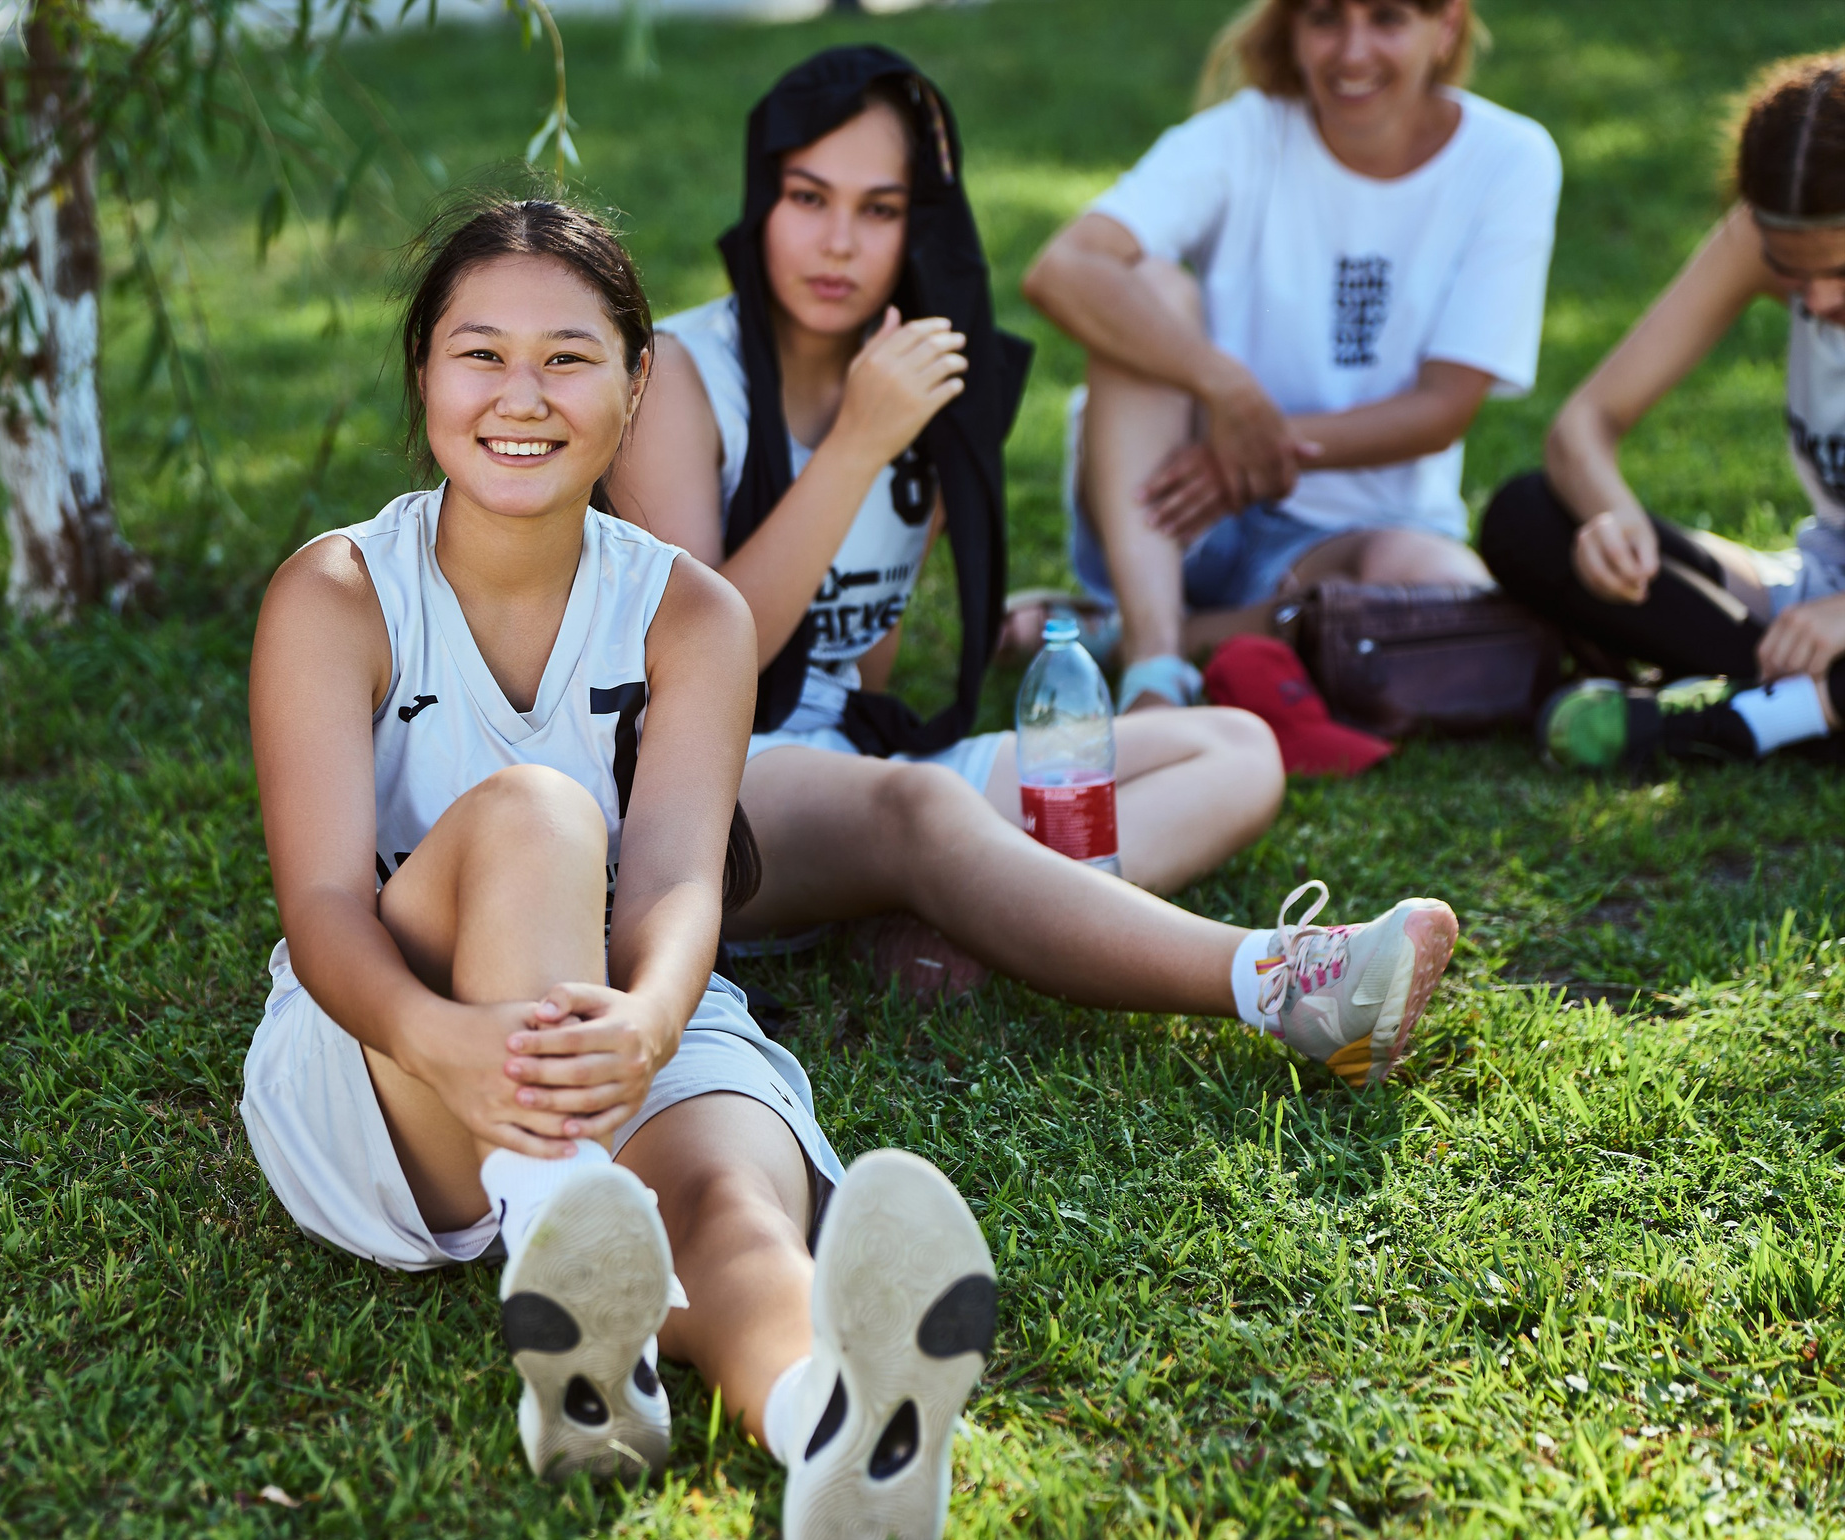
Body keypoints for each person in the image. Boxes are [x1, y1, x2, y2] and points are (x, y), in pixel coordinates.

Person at [242, 194, 1002, 1540]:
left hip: (622, 1004)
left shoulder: (688, 612)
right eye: (480, 354)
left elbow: (672, 888)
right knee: (538, 811)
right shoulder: (339, 592)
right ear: (422, 374)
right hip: (389, 1049)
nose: (520, 396)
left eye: (570, 357)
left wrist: (651, 1024)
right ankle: (560, 1226)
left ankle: (827, 1425)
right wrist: (449, 1041)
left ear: (638, 384)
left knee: (733, 1209)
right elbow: (326, 914)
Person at [610, 45, 1460, 1089]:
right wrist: (855, 451)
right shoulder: (680, 378)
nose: (837, 242)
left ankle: (976, 920)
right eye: (806, 197)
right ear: (761, 200)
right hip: (695, 802)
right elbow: (696, 670)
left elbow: (857, 681)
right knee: (921, 810)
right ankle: (1287, 983)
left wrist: (888, 432)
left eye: (880, 209)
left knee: (1234, 748)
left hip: (844, 788)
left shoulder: (915, 382)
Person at [1019, 0, 1562, 711]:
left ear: (1448, 27)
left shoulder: (1509, 158)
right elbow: (1062, 269)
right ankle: (1153, 665)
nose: (1353, 51)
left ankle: (1132, 636)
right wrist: (1225, 389)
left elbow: (1441, 410)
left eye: (1389, 18)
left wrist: (1251, 453)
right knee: (1143, 283)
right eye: (1325, 18)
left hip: (1357, 535)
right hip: (1175, 513)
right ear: (1293, 30)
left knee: (1460, 598)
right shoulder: (1245, 134)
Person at [1478, 52, 1845, 771]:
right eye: (1792, 272)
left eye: (1841, 271)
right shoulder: (1763, 241)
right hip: (1815, 588)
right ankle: (1795, 703)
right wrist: (1614, 520)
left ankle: (1741, 718)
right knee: (1526, 516)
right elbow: (1584, 424)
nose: (1818, 302)